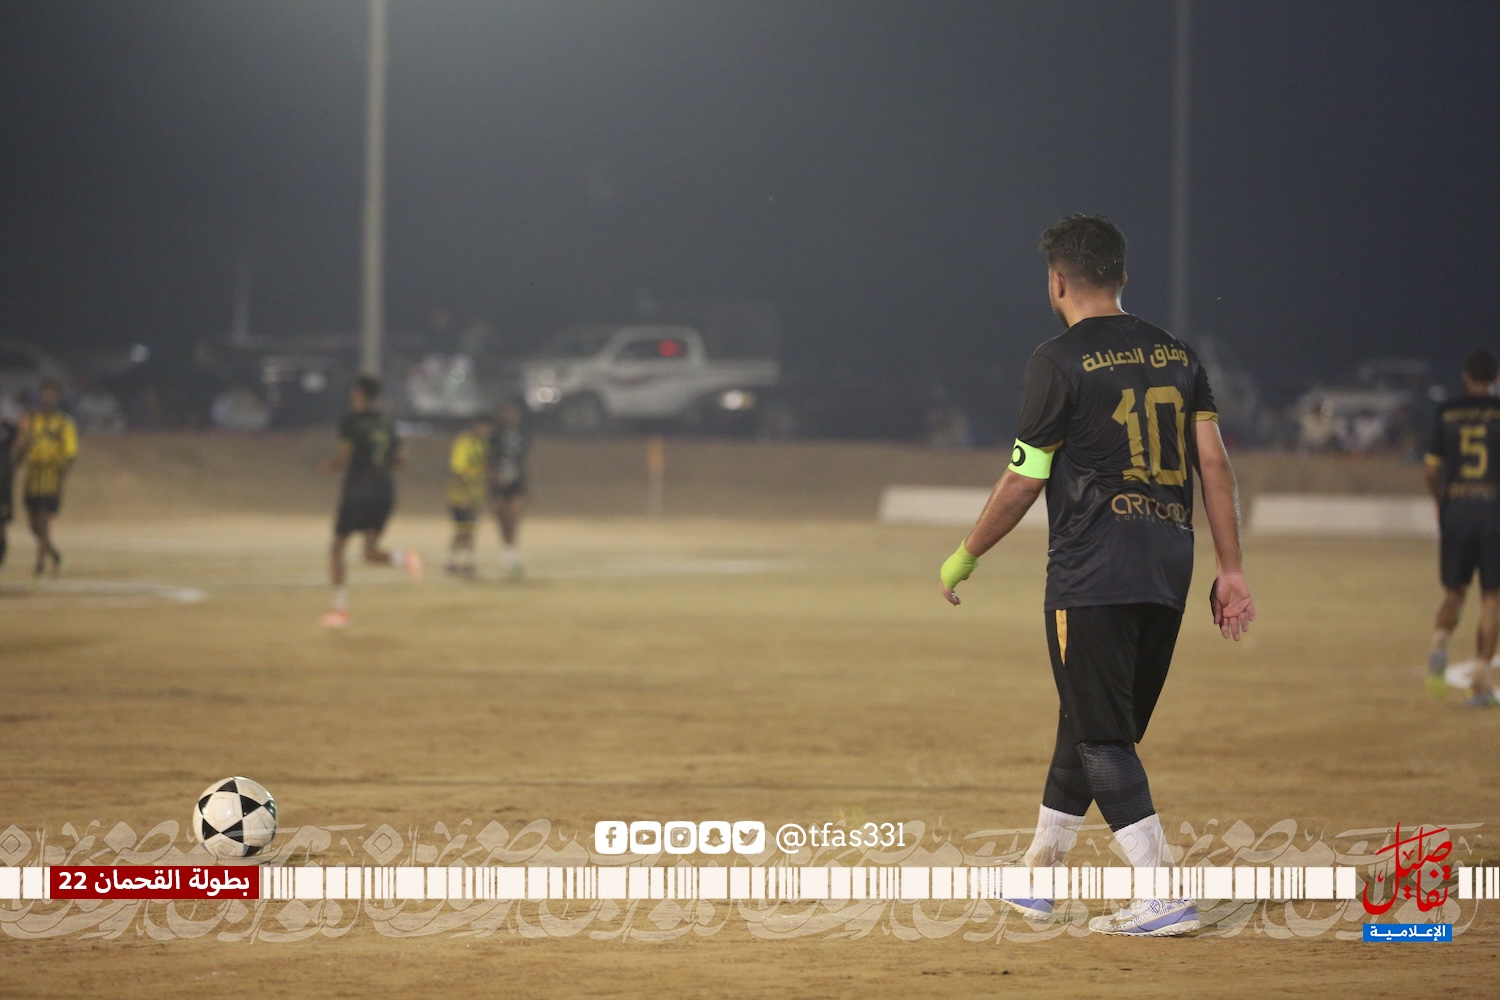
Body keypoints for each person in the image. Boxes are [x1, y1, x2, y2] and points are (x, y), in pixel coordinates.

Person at [938, 215, 1255, 937]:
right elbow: (1214, 464)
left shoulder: (1057, 361)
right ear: (1121, 276)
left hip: (1093, 569)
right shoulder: (1178, 354)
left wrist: (966, 554)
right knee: (1086, 722)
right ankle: (1037, 877)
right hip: (1168, 565)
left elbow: (1024, 479)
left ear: (1057, 281)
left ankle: (1162, 894)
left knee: (1103, 736)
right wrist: (1232, 569)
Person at [1425, 349, 1500, 706]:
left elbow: (1431, 469)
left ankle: (1440, 642)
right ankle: (1481, 682)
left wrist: (1441, 503)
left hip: (1456, 512)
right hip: (1494, 513)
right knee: (1491, 598)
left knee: (1454, 593)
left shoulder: (1447, 412)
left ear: (1466, 376)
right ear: (1495, 378)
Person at [320, 376, 421, 627]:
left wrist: (330, 466)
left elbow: (344, 458)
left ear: (360, 395)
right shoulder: (387, 423)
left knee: (337, 548)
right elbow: (401, 460)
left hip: (358, 491)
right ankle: (404, 557)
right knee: (369, 551)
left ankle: (340, 611)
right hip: (384, 491)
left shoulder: (351, 423)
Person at [21, 379, 78, 578]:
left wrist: (61, 481)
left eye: (52, 394)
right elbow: (21, 450)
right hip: (32, 477)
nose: (48, 399)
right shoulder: (31, 421)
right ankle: (56, 556)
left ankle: (39, 565)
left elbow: (70, 455)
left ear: (58, 398)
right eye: (45, 394)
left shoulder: (64, 424)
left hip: (51, 476)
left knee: (43, 521)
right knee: (33, 526)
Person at [445, 413, 493, 578]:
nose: (485, 431)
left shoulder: (484, 444)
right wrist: (465, 496)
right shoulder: (464, 442)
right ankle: (453, 560)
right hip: (461, 496)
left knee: (470, 530)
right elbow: (458, 470)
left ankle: (466, 561)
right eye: (483, 427)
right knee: (462, 530)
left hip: (476, 495)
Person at [488, 401, 529, 578]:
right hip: (498, 483)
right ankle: (506, 548)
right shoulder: (494, 437)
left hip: (515, 482)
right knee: (502, 517)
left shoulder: (522, 436)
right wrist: (493, 477)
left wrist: (525, 481)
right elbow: (489, 459)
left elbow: (522, 460)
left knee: (514, 515)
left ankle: (511, 549)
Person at [0, 396, 25, 569]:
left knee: (1, 522)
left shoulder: (9, 427)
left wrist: (14, 466)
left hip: (3, 481)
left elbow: (21, 443)